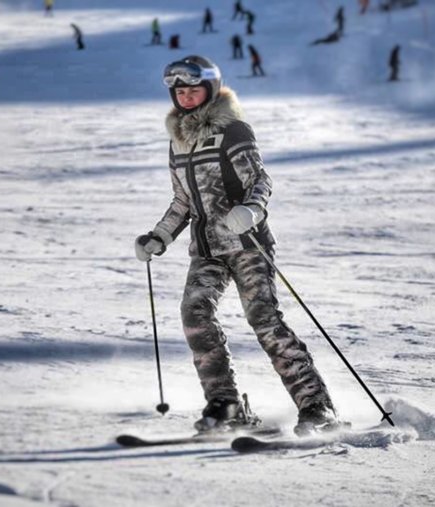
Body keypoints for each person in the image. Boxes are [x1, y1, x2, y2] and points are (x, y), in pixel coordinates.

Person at [135, 55, 339, 436]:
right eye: (180, 91)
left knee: (264, 320)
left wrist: (251, 210)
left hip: (247, 244)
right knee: (194, 315)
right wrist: (160, 235)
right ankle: (224, 404)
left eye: (194, 89)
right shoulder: (178, 142)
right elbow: (183, 202)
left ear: (210, 90)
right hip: (207, 249)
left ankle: (316, 405)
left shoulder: (233, 131)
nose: (187, 96)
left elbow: (261, 181)